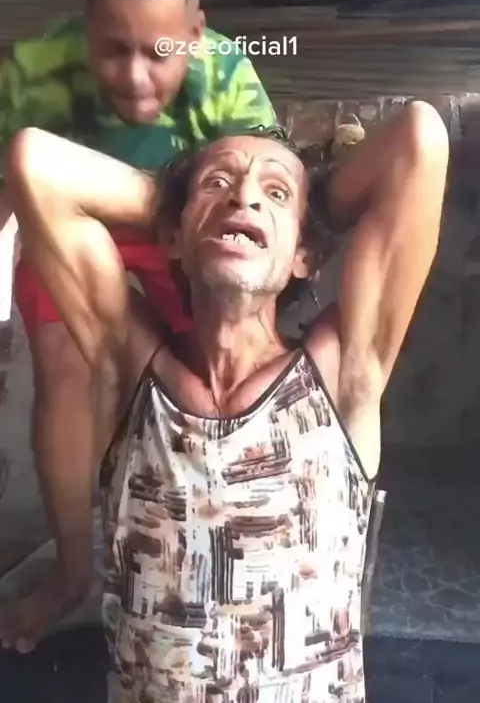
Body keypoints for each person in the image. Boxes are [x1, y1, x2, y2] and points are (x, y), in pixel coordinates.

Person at [3, 101, 448, 700]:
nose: (244, 198)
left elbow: (419, 139)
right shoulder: (129, 365)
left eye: (273, 193)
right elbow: (33, 162)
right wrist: (187, 207)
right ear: (172, 239)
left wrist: (299, 206)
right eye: (219, 183)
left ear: (305, 257)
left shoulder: (344, 371)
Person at [0, 0, 276, 649]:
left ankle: (210, 556)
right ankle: (70, 574)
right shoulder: (33, 69)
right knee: (63, 368)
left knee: (201, 376)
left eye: (159, 52)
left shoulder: (225, 73)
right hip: (71, 220)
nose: (134, 76)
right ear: (85, 25)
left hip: (182, 223)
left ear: (194, 34)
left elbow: (265, 205)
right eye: (112, 48)